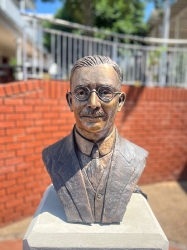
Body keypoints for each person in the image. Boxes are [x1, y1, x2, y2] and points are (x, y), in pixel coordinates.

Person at [42, 55, 148, 224]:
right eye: (82, 92)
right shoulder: (52, 156)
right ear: (70, 101)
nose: (93, 103)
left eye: (105, 92)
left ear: (120, 102)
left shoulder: (136, 157)